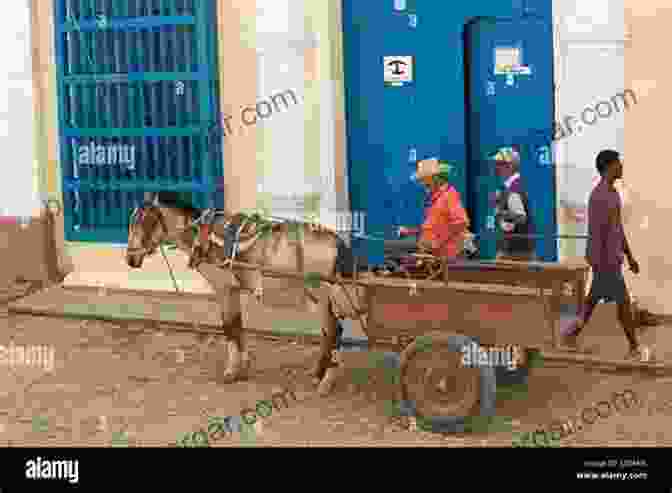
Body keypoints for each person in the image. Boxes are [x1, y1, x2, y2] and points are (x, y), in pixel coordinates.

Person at [560, 150, 652, 361]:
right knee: (623, 303)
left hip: (611, 260)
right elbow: (597, 232)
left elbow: (617, 229)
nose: (621, 167)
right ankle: (635, 346)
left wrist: (629, 257)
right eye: (618, 163)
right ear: (608, 166)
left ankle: (569, 336)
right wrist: (601, 263)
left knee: (591, 302)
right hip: (605, 262)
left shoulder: (612, 193)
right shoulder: (599, 196)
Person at [398, 158, 470, 260]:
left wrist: (436, 241)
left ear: (435, 178)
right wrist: (411, 231)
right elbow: (434, 226)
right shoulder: (436, 198)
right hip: (437, 256)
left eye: (424, 180)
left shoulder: (449, 196)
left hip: (449, 258)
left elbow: (461, 222)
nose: (422, 184)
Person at [492, 147, 535, 260]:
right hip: (513, 250)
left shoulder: (513, 189)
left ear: (510, 166)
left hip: (515, 253)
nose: (496, 167)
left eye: (500, 164)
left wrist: (501, 213)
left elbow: (521, 217)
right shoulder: (511, 187)